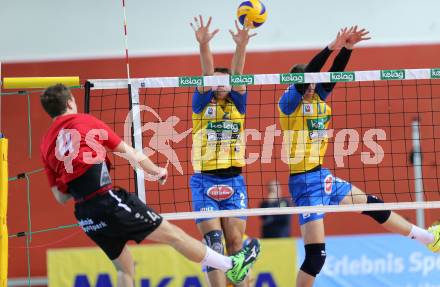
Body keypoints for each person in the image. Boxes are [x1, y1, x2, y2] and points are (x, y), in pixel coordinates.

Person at [39, 84, 260, 287]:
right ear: (70, 103)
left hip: (85, 214)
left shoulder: (46, 143)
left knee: (125, 269)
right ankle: (232, 266)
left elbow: (60, 197)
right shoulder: (84, 121)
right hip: (109, 201)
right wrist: (157, 170)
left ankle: (231, 266)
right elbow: (130, 152)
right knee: (174, 235)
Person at [278, 27, 440, 287]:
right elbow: (310, 74)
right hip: (305, 183)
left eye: (311, 82)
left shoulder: (319, 97)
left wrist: (348, 48)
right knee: (316, 258)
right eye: (306, 83)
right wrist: (332, 46)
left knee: (374, 205)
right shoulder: (288, 105)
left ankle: (428, 239)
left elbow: (333, 74)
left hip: (322, 175)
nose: (310, 87)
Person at [189, 15, 256, 287]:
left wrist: (241, 47)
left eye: (224, 80)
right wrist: (204, 45)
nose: (219, 84)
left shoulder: (238, 105)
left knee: (236, 242)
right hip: (205, 180)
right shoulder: (201, 105)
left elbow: (238, 76)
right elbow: (206, 74)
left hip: (234, 180)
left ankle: (244, 282)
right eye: (215, 80)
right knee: (214, 245)